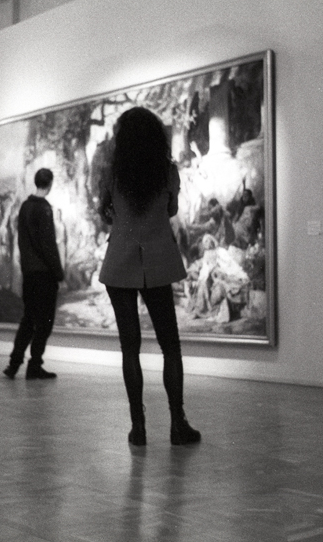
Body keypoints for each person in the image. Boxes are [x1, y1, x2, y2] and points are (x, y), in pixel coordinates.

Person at [98, 107, 201, 447]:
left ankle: (138, 427)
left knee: (130, 348)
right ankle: (177, 423)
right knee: (170, 346)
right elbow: (171, 210)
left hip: (119, 262)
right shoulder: (167, 171)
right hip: (157, 260)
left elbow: (106, 212)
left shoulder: (112, 174)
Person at [3, 168, 64, 379]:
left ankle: (13, 364)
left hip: (29, 273)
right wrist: (59, 274)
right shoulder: (44, 209)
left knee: (28, 319)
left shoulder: (25, 207)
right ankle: (34, 365)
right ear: (50, 184)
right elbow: (48, 245)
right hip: (44, 275)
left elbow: (22, 241)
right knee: (45, 322)